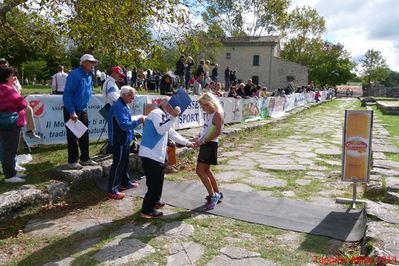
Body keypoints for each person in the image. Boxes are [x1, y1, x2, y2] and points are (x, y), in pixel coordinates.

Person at [139, 100, 193, 218]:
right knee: (155, 183)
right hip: (151, 153)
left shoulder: (163, 116)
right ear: (165, 106)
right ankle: (147, 210)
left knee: (156, 181)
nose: (173, 108)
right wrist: (173, 116)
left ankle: (154, 202)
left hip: (153, 154)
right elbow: (161, 129)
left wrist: (188, 143)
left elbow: (172, 133)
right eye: (170, 105)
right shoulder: (157, 113)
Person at [63, 54, 99, 169]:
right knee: (72, 136)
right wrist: (72, 111)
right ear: (83, 62)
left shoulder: (89, 75)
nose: (92, 64)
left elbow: (88, 90)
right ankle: (72, 161)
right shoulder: (75, 75)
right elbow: (68, 94)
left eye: (93, 62)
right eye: (90, 62)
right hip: (72, 109)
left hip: (83, 109)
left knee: (84, 134)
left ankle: (85, 158)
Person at [107, 86, 144, 199]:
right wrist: (138, 121)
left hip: (125, 138)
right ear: (123, 94)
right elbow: (124, 125)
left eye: (134, 95)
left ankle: (125, 182)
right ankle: (112, 190)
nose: (133, 98)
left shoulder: (123, 105)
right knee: (117, 164)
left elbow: (126, 122)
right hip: (118, 139)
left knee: (125, 162)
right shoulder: (118, 106)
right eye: (131, 95)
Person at [195, 93, 224, 210]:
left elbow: (218, 132)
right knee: (206, 170)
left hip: (210, 145)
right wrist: (199, 138)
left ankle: (213, 196)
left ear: (210, 103)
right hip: (206, 144)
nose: (203, 109)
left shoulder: (217, 114)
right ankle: (216, 192)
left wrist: (204, 141)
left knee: (200, 171)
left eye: (204, 107)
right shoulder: (210, 114)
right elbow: (206, 130)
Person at [0, 58, 40, 140]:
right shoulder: (6, 87)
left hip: (11, 111)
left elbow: (18, 92)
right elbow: (21, 102)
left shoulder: (10, 82)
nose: (4, 66)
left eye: (6, 64)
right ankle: (29, 132)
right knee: (27, 109)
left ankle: (29, 131)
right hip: (9, 116)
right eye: (3, 65)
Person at [0, 67, 27, 183]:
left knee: (7, 148)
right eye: (12, 75)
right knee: (10, 149)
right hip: (12, 122)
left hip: (4, 121)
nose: (14, 77)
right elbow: (23, 102)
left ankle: (11, 172)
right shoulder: (8, 89)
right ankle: (10, 175)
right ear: (6, 77)